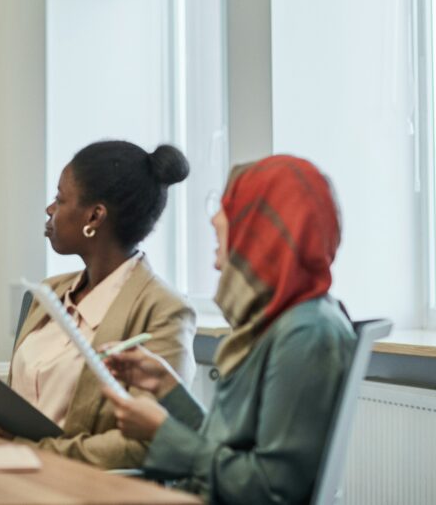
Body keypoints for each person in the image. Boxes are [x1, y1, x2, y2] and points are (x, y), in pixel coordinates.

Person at [103, 155, 356, 504]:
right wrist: (166, 388)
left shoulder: (305, 334)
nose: (215, 217)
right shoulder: (280, 320)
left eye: (229, 205)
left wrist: (162, 434)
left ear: (261, 229)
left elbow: (270, 490)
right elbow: (230, 449)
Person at [0, 140, 196, 469]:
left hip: (80, 488)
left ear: (95, 216)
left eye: (60, 199)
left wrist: (30, 452)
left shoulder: (164, 310)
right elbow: (35, 406)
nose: (50, 209)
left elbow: (144, 445)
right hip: (13, 476)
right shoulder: (50, 292)